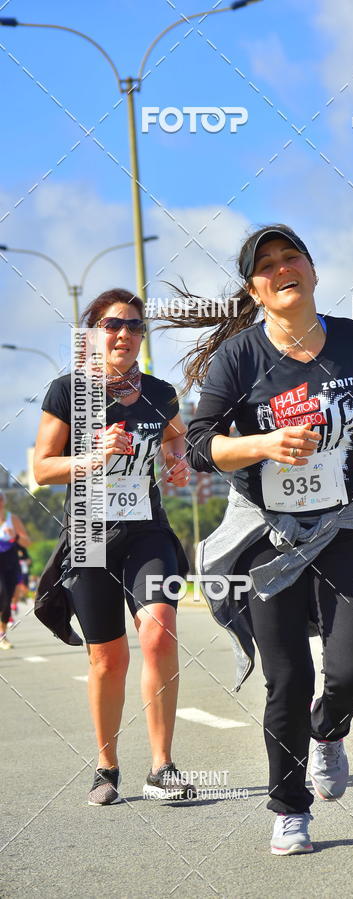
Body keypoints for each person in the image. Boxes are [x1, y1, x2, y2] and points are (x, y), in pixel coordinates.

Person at [179, 224, 353, 854]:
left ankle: (329, 728)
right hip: (268, 534)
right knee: (287, 677)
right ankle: (289, 806)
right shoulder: (241, 358)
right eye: (267, 266)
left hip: (344, 522)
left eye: (292, 257)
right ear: (255, 290)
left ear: (312, 270)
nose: (282, 269)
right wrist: (262, 444)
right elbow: (202, 445)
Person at [33, 288, 194, 806]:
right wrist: (91, 456)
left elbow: (175, 439)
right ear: (92, 334)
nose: (123, 333)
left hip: (146, 528)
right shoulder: (67, 392)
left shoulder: (160, 392)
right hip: (90, 532)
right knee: (107, 658)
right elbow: (41, 467)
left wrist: (176, 459)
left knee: (160, 633)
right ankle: (107, 767)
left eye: (133, 325)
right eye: (111, 325)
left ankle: (163, 767)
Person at [0, 491, 31, 649]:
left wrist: (16, 537)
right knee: (1, 594)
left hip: (10, 565)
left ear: (3, 501)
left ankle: (2, 635)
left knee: (6, 600)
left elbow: (27, 543)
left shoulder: (13, 519)